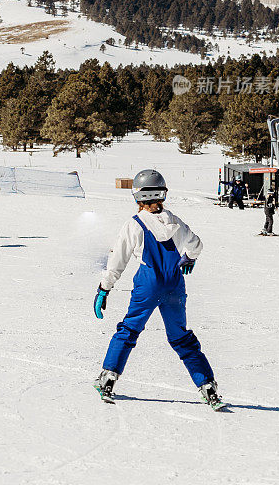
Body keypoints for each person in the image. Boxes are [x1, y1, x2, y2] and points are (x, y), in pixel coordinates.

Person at [93, 169, 224, 409]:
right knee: (181, 337)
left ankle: (108, 378)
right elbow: (196, 244)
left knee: (130, 329)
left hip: (148, 283)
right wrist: (189, 258)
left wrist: (104, 288)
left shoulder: (134, 224)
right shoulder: (174, 220)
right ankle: (207, 386)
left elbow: (118, 260)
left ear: (137, 197)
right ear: (162, 195)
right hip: (174, 284)